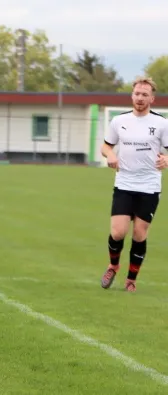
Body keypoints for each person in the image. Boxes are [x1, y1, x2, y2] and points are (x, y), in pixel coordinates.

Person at [100, 76, 168, 292]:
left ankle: (131, 279)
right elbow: (106, 146)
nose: (140, 98)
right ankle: (113, 265)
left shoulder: (161, 124)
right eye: (137, 94)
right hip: (124, 183)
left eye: (145, 95)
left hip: (149, 186)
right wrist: (110, 155)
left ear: (152, 99)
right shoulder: (119, 121)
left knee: (139, 234)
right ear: (132, 95)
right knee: (118, 232)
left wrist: (166, 159)